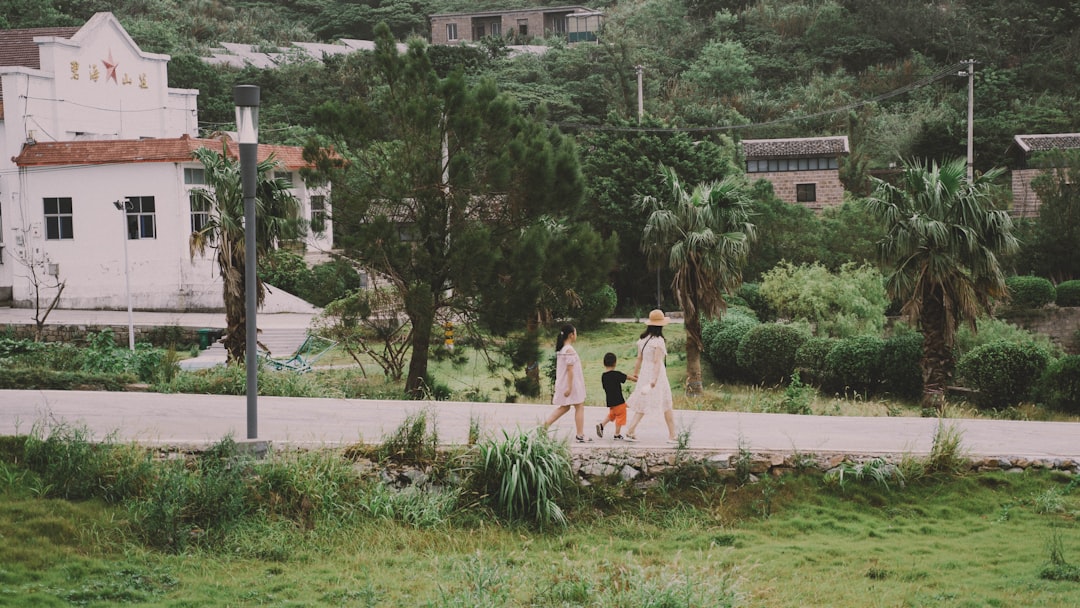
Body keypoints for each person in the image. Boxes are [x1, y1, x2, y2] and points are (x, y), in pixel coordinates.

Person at [623, 309, 678, 443]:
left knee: (643, 403)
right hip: (656, 374)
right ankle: (672, 435)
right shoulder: (658, 341)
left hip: (644, 372)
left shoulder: (643, 339)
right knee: (666, 402)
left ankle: (630, 431)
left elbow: (639, 358)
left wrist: (635, 373)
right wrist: (654, 379)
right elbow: (657, 362)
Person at [544, 324, 591, 442]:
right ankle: (580, 434)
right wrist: (570, 387)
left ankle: (544, 427)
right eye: (575, 333)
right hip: (571, 384)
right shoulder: (569, 350)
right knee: (579, 406)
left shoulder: (562, 349)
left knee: (565, 407)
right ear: (571, 335)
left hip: (565, 383)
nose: (576, 335)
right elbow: (570, 370)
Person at [596, 352, 634, 440]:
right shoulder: (616, 374)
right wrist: (636, 379)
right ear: (615, 363)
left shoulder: (603, 376)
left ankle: (601, 425)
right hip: (618, 400)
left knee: (613, 414)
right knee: (621, 415)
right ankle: (617, 434)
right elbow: (627, 377)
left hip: (610, 400)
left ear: (604, 363)